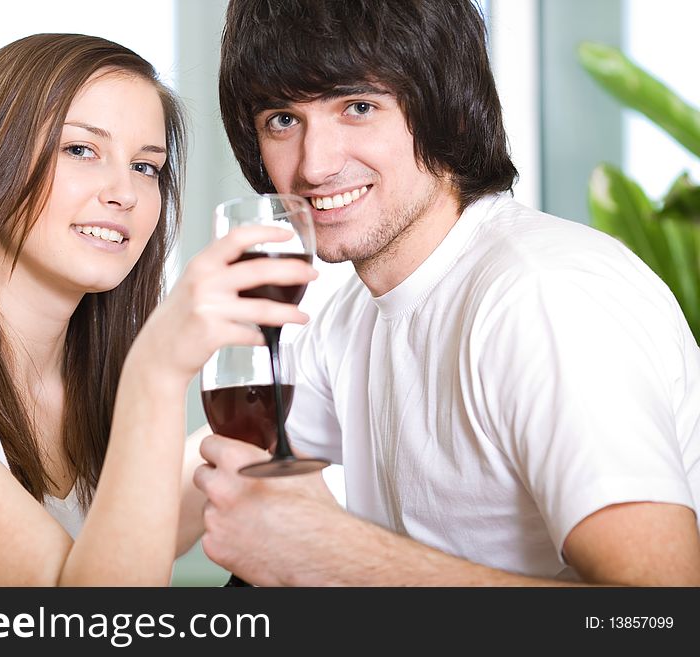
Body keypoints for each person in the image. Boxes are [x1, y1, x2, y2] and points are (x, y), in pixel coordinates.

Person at [192, 0, 700, 586]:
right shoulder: (352, 318)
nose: (313, 166)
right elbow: (219, 461)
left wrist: (342, 556)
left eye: (358, 107)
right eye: (283, 119)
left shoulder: (543, 298)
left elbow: (657, 617)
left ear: (449, 110)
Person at [0, 33, 315, 586]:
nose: (123, 192)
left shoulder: (87, 381)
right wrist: (156, 370)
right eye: (80, 150)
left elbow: (136, 532)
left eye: (147, 167)